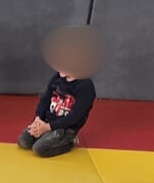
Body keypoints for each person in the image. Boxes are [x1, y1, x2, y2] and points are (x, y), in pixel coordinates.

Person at [18, 24, 101, 158]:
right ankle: (45, 133)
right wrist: (38, 119)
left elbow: (75, 116)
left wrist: (48, 127)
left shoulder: (85, 86)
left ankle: (70, 141)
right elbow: (45, 99)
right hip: (47, 121)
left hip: (65, 128)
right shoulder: (57, 78)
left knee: (39, 149)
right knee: (23, 141)